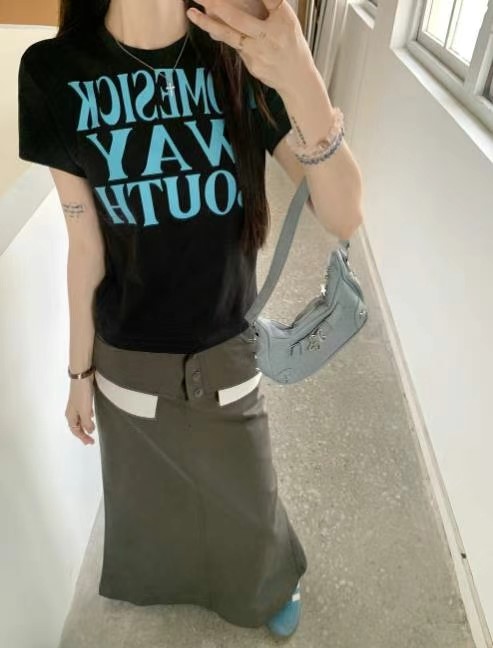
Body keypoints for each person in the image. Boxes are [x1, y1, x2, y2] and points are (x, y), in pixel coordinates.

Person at [17, 0, 308, 638]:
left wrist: (303, 81)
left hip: (224, 338)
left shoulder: (237, 50)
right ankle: (177, 578)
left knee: (247, 486)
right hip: (128, 350)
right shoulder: (53, 72)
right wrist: (78, 374)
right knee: (149, 490)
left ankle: (265, 579)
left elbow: (330, 195)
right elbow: (85, 247)